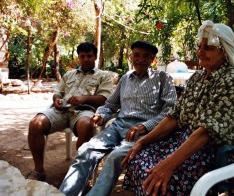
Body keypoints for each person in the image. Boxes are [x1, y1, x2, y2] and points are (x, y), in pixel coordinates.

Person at [121, 20, 234, 195]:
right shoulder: (198, 77)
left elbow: (206, 132)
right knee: (138, 158)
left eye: (208, 48)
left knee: (163, 182)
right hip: (189, 141)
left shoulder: (231, 80)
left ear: (225, 51)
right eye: (199, 46)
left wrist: (167, 165)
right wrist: (142, 141)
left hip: (219, 150)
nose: (200, 52)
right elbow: (174, 116)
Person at [59, 40, 177, 195]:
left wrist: (145, 126)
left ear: (153, 60)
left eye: (146, 56)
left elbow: (170, 111)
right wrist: (101, 114)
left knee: (115, 157)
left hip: (143, 131)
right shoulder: (125, 78)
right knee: (86, 150)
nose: (140, 59)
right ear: (131, 56)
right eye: (137, 55)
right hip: (118, 126)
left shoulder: (162, 78)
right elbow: (110, 105)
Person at [26, 42, 113, 181]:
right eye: (82, 56)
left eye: (89, 56)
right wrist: (57, 100)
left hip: (84, 111)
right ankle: (39, 170)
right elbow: (57, 92)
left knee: (87, 124)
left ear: (95, 57)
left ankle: (79, 174)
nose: (86, 59)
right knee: (35, 123)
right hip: (61, 111)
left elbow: (105, 99)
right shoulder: (69, 74)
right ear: (78, 57)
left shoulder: (104, 76)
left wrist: (84, 99)